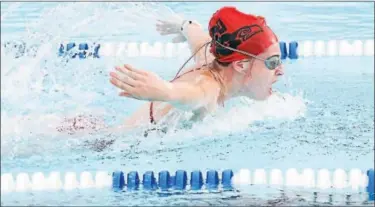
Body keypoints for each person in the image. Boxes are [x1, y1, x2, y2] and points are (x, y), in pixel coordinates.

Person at [109, 6, 284, 135]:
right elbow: (191, 94)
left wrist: (185, 25)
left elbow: (197, 36)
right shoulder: (209, 88)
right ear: (240, 65)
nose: (280, 70)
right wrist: (164, 91)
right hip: (108, 143)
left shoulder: (210, 56)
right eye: (272, 62)